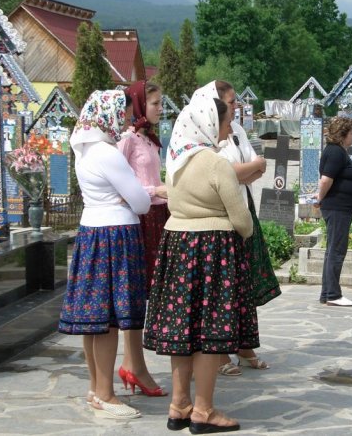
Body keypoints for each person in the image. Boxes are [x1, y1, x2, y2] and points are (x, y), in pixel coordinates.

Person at [144, 97, 257, 434]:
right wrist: (245, 231)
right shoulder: (215, 163)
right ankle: (204, 411)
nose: (227, 128)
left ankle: (179, 405)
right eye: (224, 122)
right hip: (213, 249)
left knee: (183, 330)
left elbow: (174, 203)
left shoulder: (176, 162)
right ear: (209, 124)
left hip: (177, 247)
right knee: (210, 331)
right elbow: (240, 218)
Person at [58, 90, 151, 419]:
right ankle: (106, 395)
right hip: (114, 234)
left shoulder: (82, 150)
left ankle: (96, 388)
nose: (125, 119)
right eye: (122, 113)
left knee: (92, 319)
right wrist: (129, 200)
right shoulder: (108, 153)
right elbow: (141, 202)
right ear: (108, 114)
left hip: (90, 231)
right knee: (108, 320)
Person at [192, 80, 281, 376]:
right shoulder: (203, 132)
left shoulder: (237, 130)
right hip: (220, 217)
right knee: (222, 287)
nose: (235, 107)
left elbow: (254, 170)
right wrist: (251, 168)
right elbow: (226, 173)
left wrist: (249, 170)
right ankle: (219, 352)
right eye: (230, 103)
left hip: (242, 206)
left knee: (242, 285)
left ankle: (244, 347)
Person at [116, 81, 167, 397]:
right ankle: (134, 364)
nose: (160, 109)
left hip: (158, 216)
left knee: (149, 293)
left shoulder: (150, 140)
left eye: (161, 103)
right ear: (138, 106)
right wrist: (155, 191)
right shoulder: (127, 140)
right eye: (155, 104)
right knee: (137, 292)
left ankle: (134, 363)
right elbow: (121, 186)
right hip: (139, 218)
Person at [317, 116, 352, 307]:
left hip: (340, 207)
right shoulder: (336, 152)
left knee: (333, 250)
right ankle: (333, 295)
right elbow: (326, 179)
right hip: (337, 207)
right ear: (343, 135)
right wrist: (318, 199)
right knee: (336, 250)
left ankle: (327, 293)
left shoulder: (338, 151)